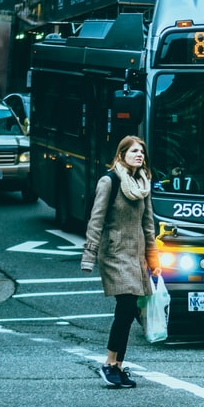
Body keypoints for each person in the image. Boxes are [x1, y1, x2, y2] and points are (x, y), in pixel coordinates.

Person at [81, 136, 161, 389]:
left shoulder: (143, 183)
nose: (140, 155)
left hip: (136, 256)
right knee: (126, 306)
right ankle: (109, 363)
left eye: (142, 152)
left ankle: (118, 365)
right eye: (134, 151)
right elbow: (96, 220)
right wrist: (89, 255)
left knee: (129, 311)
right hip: (115, 254)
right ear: (121, 154)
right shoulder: (109, 181)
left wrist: (153, 258)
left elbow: (148, 225)